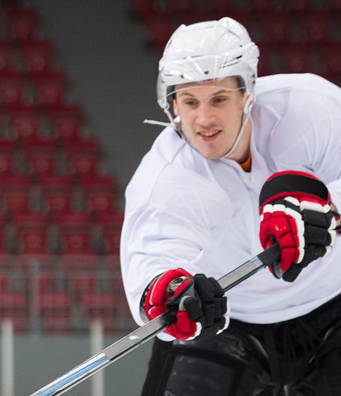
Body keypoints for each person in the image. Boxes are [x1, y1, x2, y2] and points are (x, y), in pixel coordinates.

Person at [121, 17, 341, 395]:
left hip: (333, 304)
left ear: (247, 94)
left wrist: (326, 207)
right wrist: (174, 292)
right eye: (190, 102)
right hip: (228, 324)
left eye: (219, 99)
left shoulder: (311, 108)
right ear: (172, 103)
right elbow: (153, 258)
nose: (203, 119)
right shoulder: (165, 176)